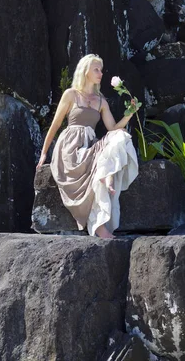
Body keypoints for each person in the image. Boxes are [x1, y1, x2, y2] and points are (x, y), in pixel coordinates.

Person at [36, 54, 139, 239]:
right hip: (70, 147)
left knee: (120, 136)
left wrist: (130, 113)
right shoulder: (71, 95)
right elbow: (55, 125)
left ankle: (105, 179)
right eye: (96, 69)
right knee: (102, 161)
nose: (101, 73)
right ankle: (101, 221)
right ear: (86, 71)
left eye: (101, 69)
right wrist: (44, 153)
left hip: (89, 147)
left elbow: (113, 128)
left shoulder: (101, 101)